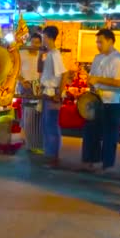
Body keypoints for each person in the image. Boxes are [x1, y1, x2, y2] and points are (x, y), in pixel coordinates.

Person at [81, 29, 120, 171]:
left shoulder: (119, 59)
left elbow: (118, 82)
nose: (98, 45)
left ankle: (107, 165)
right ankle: (90, 160)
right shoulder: (97, 58)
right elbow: (92, 77)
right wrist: (91, 84)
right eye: (97, 42)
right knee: (91, 130)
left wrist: (98, 80)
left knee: (109, 133)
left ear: (110, 41)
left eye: (100, 42)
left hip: (113, 101)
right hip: (97, 99)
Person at [39, 26, 67, 168]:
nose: (42, 40)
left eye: (43, 37)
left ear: (48, 37)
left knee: (51, 126)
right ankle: (50, 155)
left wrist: (57, 93)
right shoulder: (49, 54)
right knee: (47, 125)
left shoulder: (55, 54)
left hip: (52, 95)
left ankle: (53, 157)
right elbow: (40, 69)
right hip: (47, 93)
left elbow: (64, 74)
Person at [18, 33, 43, 154]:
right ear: (29, 42)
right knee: (26, 109)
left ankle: (32, 136)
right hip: (25, 84)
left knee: (35, 111)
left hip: (37, 85)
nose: (35, 45)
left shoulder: (40, 54)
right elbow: (15, 69)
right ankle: (25, 136)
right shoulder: (22, 53)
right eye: (33, 42)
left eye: (38, 43)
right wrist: (22, 82)